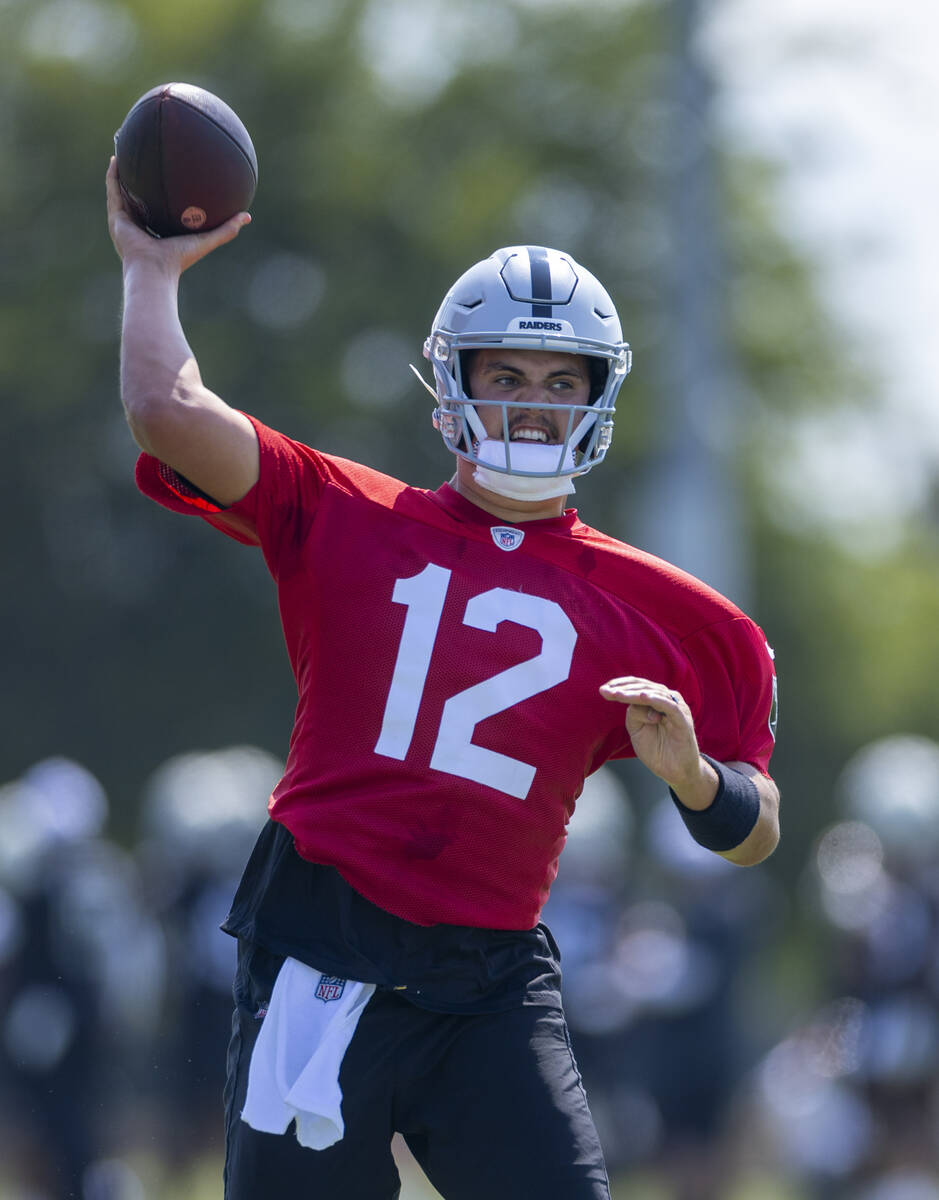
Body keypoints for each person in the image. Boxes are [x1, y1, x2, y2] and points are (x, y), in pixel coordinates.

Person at [106, 157, 780, 1200]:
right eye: (505, 376)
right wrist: (150, 269)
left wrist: (694, 778)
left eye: (561, 383)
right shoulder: (346, 513)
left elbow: (754, 829)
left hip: (493, 979)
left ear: (599, 400)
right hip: (321, 942)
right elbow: (164, 407)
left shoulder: (676, 616)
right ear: (450, 386)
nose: (531, 407)